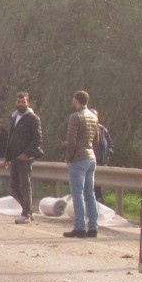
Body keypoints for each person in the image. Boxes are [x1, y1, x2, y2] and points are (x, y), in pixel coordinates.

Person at [64, 90, 101, 238]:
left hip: (79, 158)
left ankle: (79, 227)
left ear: (76, 100)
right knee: (90, 194)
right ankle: (93, 227)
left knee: (77, 193)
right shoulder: (93, 117)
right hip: (91, 158)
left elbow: (72, 140)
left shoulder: (75, 117)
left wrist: (69, 157)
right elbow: (96, 139)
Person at [8, 91, 43, 224]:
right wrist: (7, 157)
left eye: (23, 102)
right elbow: (10, 138)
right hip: (14, 157)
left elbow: (38, 139)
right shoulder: (14, 117)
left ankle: (26, 214)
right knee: (14, 186)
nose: (21, 104)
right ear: (16, 102)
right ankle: (27, 209)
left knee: (25, 185)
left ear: (28, 103)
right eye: (19, 102)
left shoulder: (33, 118)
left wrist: (27, 154)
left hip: (26, 158)